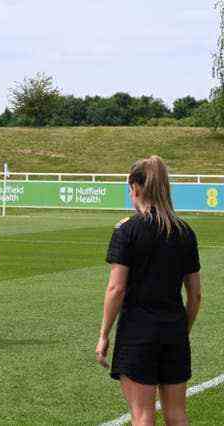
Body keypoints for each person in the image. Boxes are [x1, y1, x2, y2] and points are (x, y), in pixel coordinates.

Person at [96, 156, 202, 426]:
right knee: (177, 415)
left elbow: (116, 288)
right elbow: (196, 294)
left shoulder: (128, 230)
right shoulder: (184, 232)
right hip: (174, 330)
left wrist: (104, 335)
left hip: (138, 332)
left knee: (143, 415)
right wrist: (182, 329)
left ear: (136, 188)